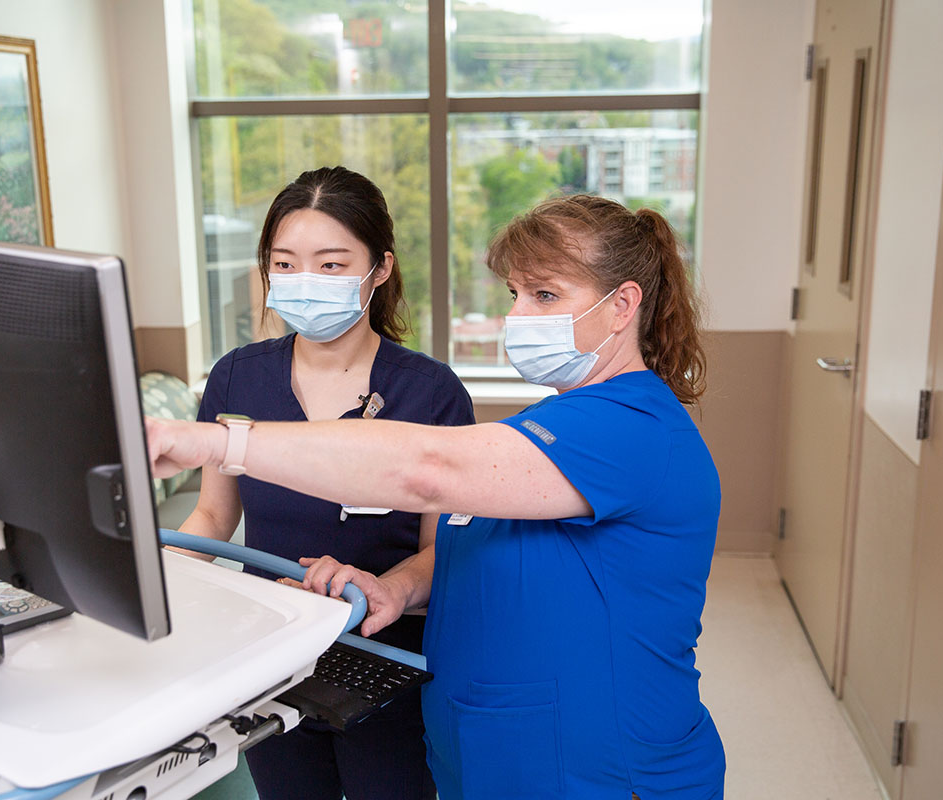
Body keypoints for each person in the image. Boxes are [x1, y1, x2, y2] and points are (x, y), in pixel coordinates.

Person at [151, 194, 726, 799]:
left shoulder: (629, 428)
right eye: (516, 294)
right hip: (499, 762)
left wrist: (216, 441)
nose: (518, 316)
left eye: (545, 295)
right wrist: (395, 588)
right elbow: (470, 552)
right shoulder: (553, 422)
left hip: (600, 773)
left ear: (623, 306)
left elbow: (425, 469)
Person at [178, 166, 474, 800]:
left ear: (380, 269)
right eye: (284, 264)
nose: (304, 281)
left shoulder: (430, 392)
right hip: (271, 653)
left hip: (384, 657)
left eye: (332, 265)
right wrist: (156, 583)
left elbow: (442, 550)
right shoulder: (236, 378)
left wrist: (381, 589)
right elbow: (212, 516)